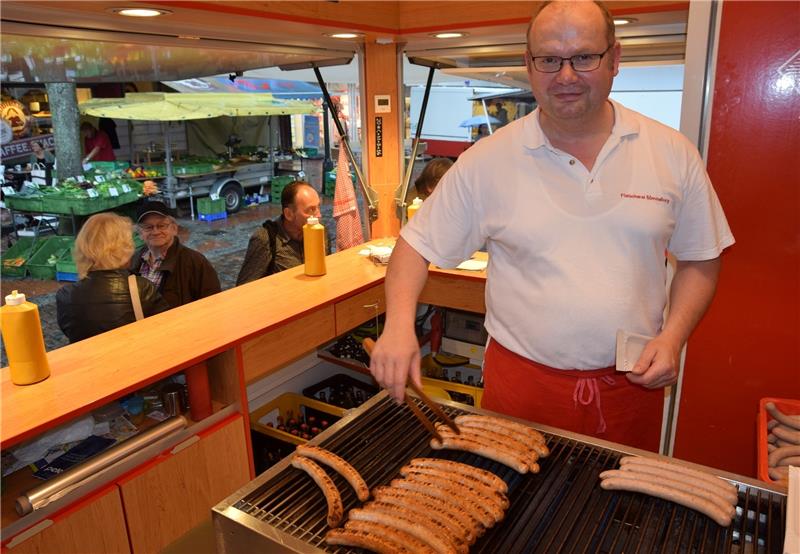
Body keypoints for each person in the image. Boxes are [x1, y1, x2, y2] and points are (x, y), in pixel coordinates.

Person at [368, 0, 735, 452]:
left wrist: (673, 336)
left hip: (630, 387)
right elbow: (414, 246)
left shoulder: (671, 152)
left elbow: (702, 256)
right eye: (548, 60)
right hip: (521, 386)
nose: (565, 76)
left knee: (618, 517)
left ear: (614, 59)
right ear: (528, 64)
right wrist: (400, 325)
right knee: (515, 512)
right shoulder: (488, 160)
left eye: (584, 57)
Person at [56, 213, 169, 343]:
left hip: (90, 362)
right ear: (124, 247)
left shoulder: (65, 296)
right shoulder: (141, 288)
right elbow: (164, 330)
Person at [131, 200, 221, 308]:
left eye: (161, 225)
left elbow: (214, 304)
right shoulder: (134, 261)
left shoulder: (195, 263)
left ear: (174, 229)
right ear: (140, 233)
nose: (155, 232)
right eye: (148, 227)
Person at [236, 181, 322, 285]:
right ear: (289, 214)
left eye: (318, 207)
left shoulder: (320, 233)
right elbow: (243, 288)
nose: (319, 215)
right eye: (311, 210)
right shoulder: (266, 239)